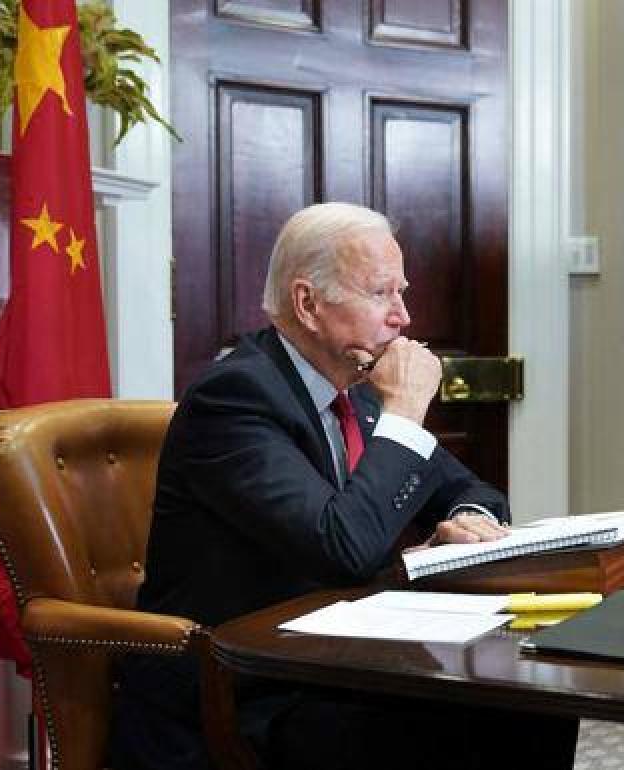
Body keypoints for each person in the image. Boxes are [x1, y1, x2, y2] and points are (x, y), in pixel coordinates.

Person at [111, 203, 579, 769]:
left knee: (534, 698)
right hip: (245, 687)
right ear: (307, 303)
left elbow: (475, 491)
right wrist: (406, 410)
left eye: (401, 293)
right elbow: (343, 547)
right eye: (381, 293)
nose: (403, 317)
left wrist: (470, 521)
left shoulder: (357, 392)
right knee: (475, 719)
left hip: (338, 660)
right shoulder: (235, 399)